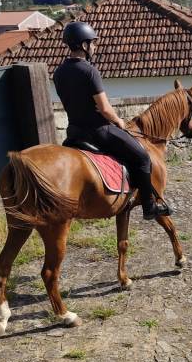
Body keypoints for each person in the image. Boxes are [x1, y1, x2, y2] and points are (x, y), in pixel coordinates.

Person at [53, 21, 170, 220]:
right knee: (142, 157)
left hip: (73, 132)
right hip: (99, 131)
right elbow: (105, 108)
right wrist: (119, 121)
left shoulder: (58, 73)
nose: (95, 47)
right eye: (93, 43)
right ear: (84, 45)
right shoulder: (90, 71)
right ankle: (150, 206)